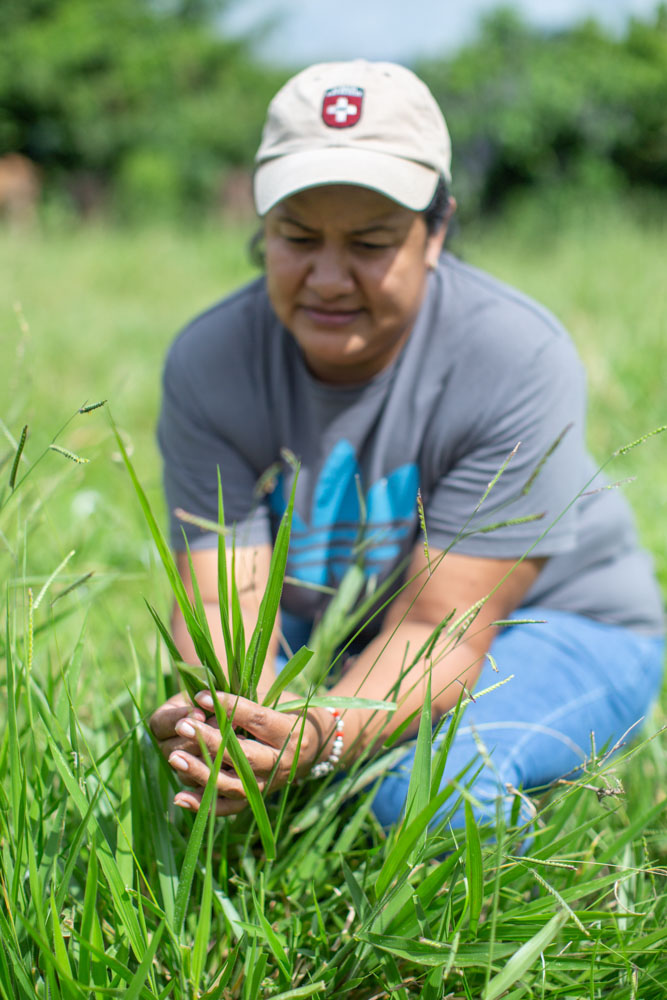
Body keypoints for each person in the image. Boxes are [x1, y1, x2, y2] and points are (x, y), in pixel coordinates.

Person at [149, 60, 665, 831]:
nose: (327, 277)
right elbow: (227, 601)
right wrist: (235, 726)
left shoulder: (514, 359)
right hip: (346, 625)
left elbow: (440, 628)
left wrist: (321, 738)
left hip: (558, 625)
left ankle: (527, 911)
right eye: (295, 236)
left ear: (436, 231)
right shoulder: (211, 361)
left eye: (369, 243)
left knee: (417, 794)